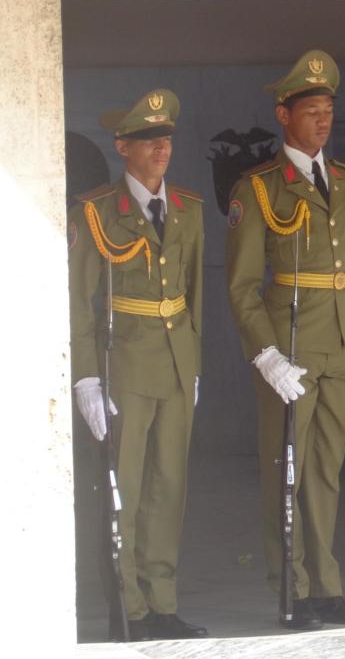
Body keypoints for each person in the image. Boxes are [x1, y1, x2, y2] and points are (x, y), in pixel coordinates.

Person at [225, 50, 345, 630]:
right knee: (286, 470)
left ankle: (327, 588)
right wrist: (265, 354)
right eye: (311, 110)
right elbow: (242, 284)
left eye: (328, 110)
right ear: (283, 116)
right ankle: (289, 587)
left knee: (325, 472)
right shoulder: (260, 187)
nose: (322, 121)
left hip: (341, 345)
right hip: (291, 347)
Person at [68, 89, 207, 641]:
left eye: (166, 139)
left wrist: (193, 362)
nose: (160, 150)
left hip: (174, 365)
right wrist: (85, 377)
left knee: (168, 487)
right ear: (123, 146)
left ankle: (163, 601)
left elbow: (194, 294)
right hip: (122, 365)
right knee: (121, 487)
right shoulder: (96, 212)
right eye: (149, 140)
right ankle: (127, 607)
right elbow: (80, 301)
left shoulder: (189, 210)